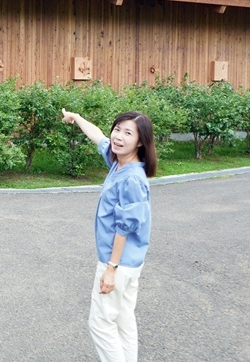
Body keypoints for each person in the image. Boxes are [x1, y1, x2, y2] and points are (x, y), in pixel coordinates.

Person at [61, 108, 157, 362]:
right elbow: (99, 137)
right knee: (123, 319)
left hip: (119, 263)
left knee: (101, 324)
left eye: (128, 133)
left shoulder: (132, 178)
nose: (118, 137)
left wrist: (111, 268)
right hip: (128, 262)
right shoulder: (118, 163)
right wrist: (77, 118)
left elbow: (125, 227)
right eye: (118, 129)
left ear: (140, 141)